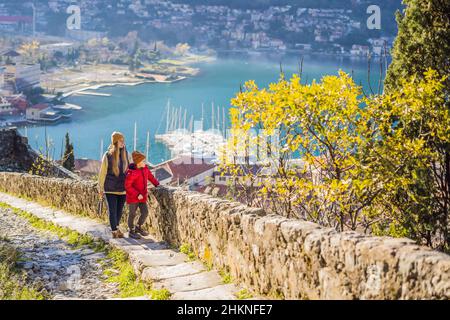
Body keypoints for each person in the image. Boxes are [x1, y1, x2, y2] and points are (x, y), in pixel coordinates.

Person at [98, 132, 129, 238]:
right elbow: (102, 172)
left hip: (122, 189)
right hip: (110, 189)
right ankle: (114, 231)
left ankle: (116, 228)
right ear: (115, 142)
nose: (123, 142)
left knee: (119, 211)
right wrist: (100, 187)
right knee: (112, 210)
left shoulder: (126, 154)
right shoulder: (107, 155)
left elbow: (129, 171)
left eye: (123, 140)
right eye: (121, 140)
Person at [125, 151, 160, 239]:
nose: (145, 162)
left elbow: (151, 177)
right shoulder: (131, 172)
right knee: (132, 213)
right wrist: (137, 194)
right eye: (143, 161)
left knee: (145, 212)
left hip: (142, 196)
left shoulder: (145, 169)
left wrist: (157, 184)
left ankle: (138, 227)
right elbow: (127, 186)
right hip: (133, 197)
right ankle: (131, 231)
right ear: (138, 162)